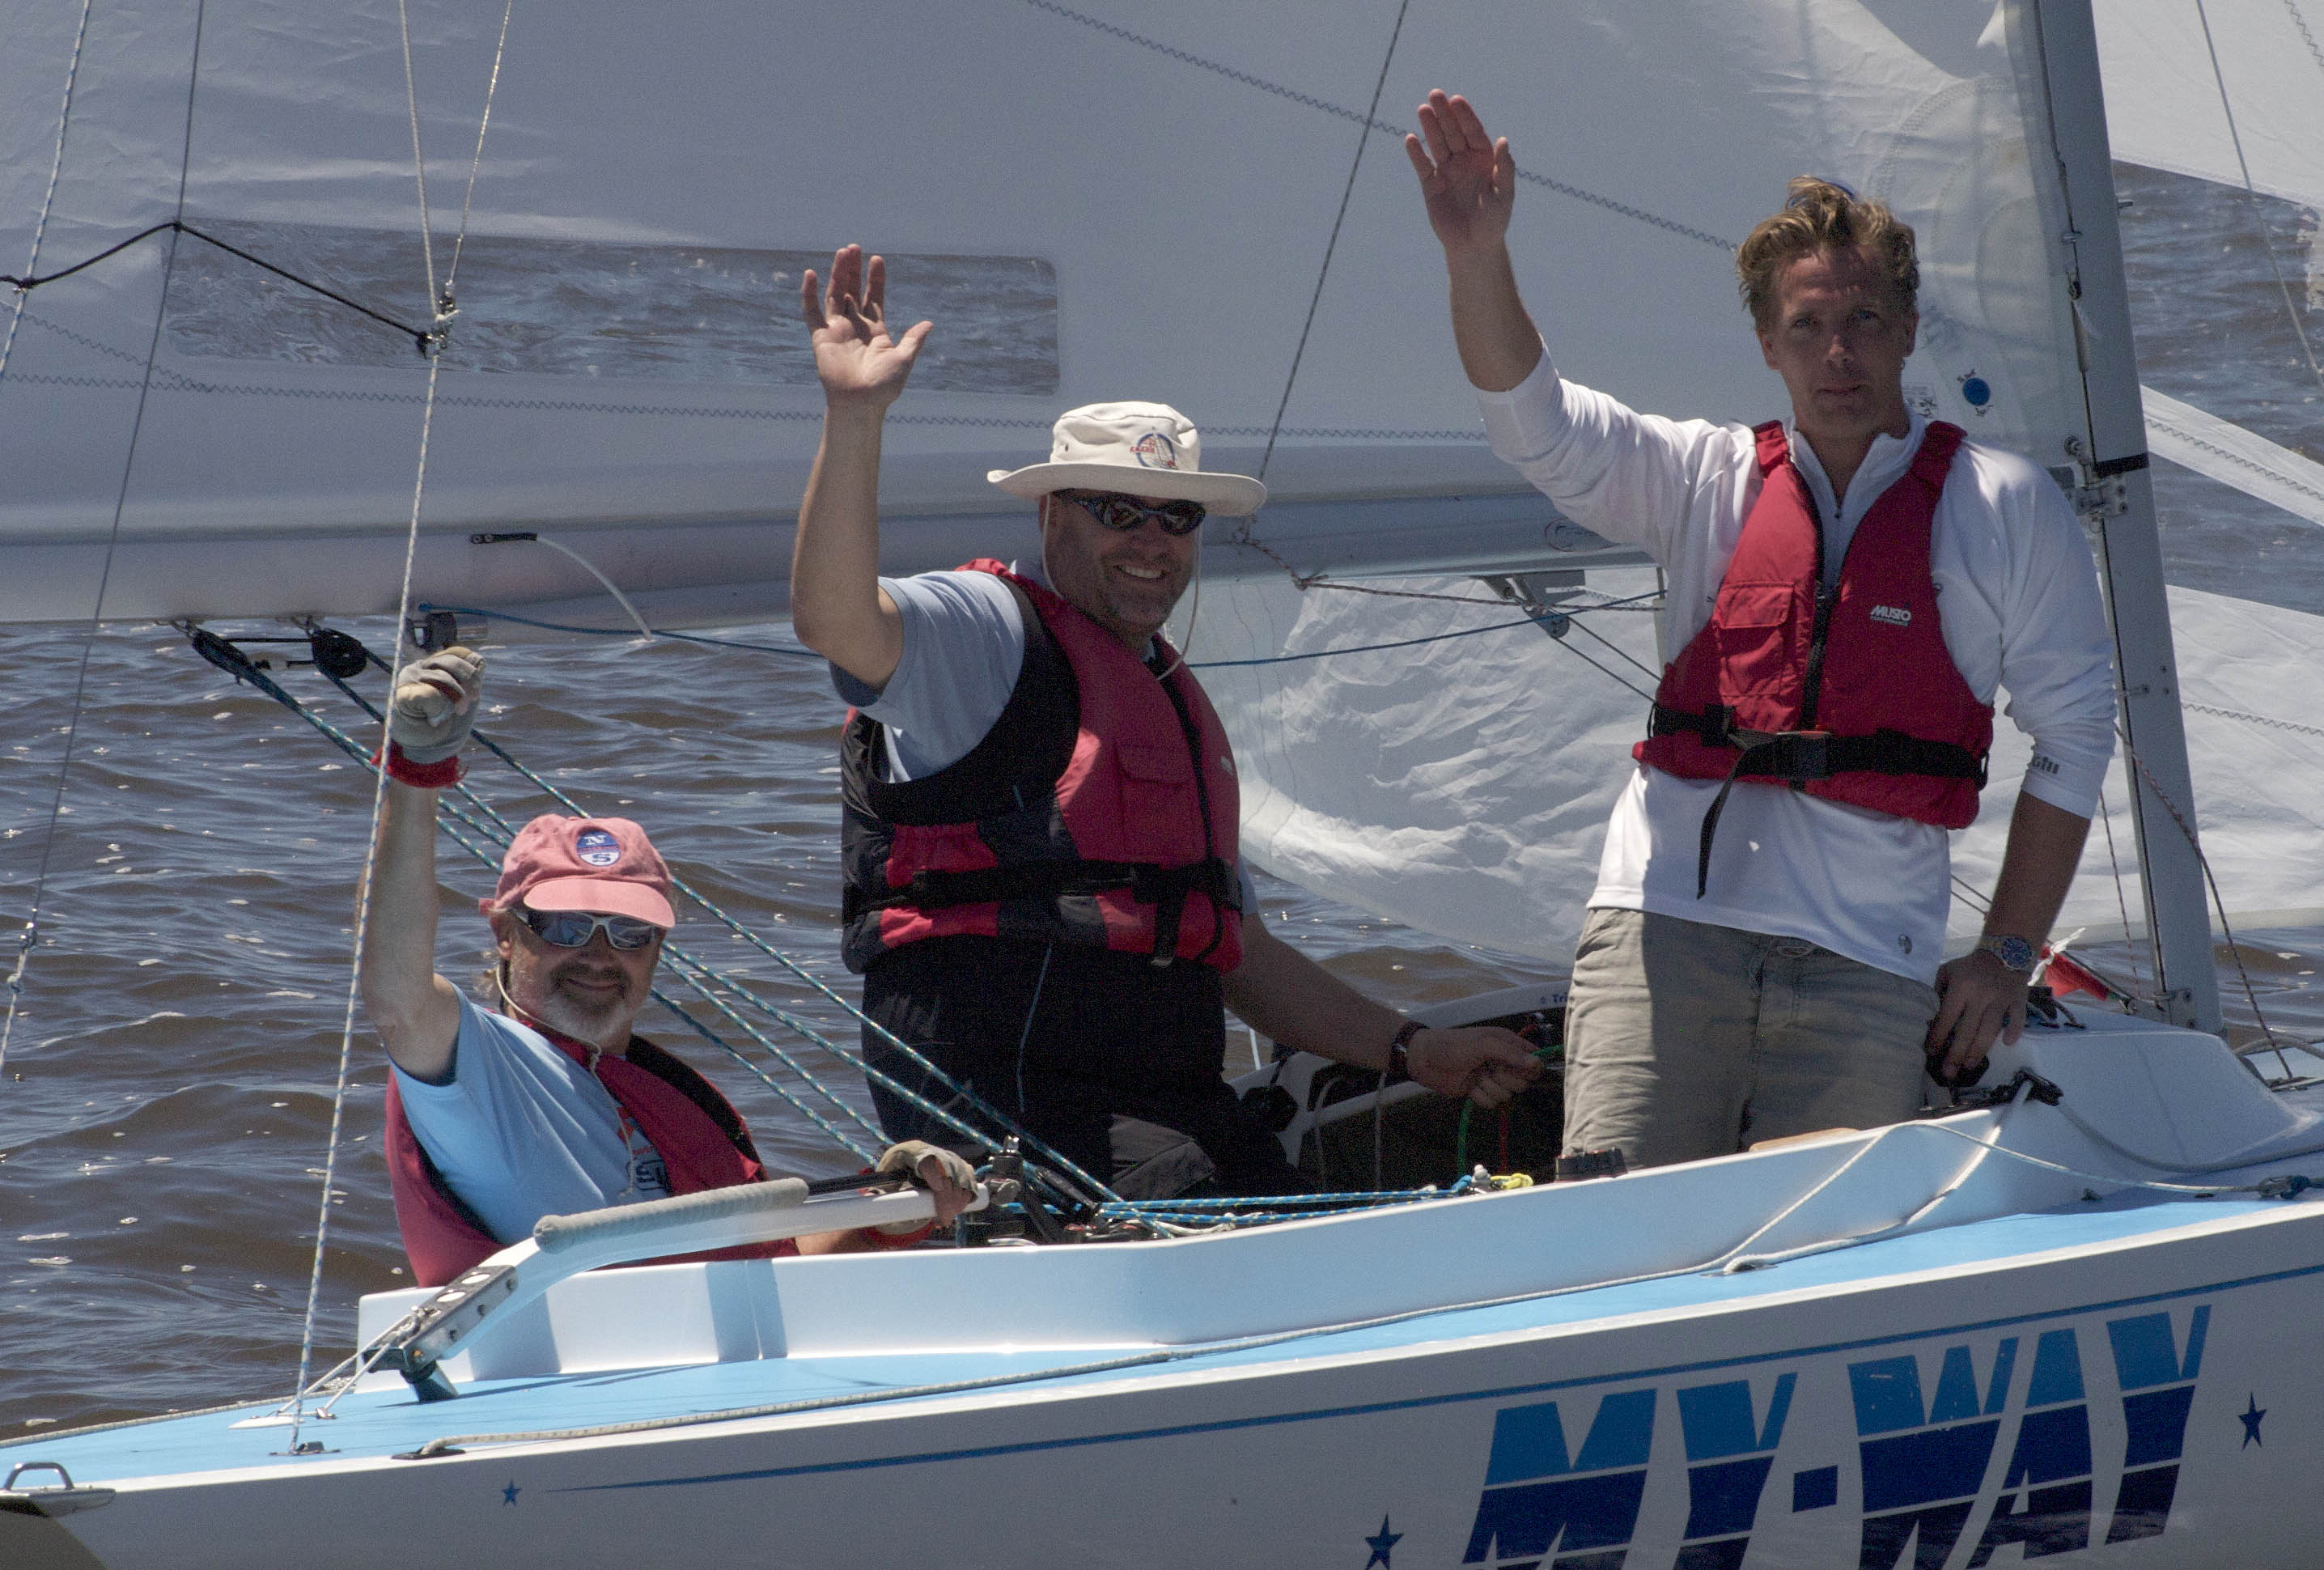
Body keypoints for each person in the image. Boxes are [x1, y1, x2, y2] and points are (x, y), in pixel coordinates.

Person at [1405, 91, 2116, 1169]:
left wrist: (2005, 955)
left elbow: (2076, 739)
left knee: (1821, 1267)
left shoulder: (2007, 507)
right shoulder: (1700, 479)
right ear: (1767, 346)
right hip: (1667, 934)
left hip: (1868, 961)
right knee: (1616, 1227)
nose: (1839, 353)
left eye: (1864, 322)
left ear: (1909, 330)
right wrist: (1476, 254)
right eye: (1808, 328)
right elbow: (1535, 424)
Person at [788, 244, 1543, 1201]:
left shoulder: (1165, 695)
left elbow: (1239, 953)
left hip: (1163, 1089)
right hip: (1004, 1084)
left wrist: (1414, 1047)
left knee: (1299, 1204)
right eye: (1118, 511)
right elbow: (834, 617)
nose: (1151, 544)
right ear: (1052, 512)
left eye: (1176, 518)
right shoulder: (983, 635)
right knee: (1223, 1217)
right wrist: (854, 418)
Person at [357, 647, 978, 1287]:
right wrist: (414, 774)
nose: (600, 954)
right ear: (506, 934)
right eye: (567, 927)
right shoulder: (475, 1069)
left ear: (657, 949)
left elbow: (761, 1270)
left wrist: (891, 1207)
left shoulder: (653, 1098)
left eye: (629, 931)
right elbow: (395, 992)